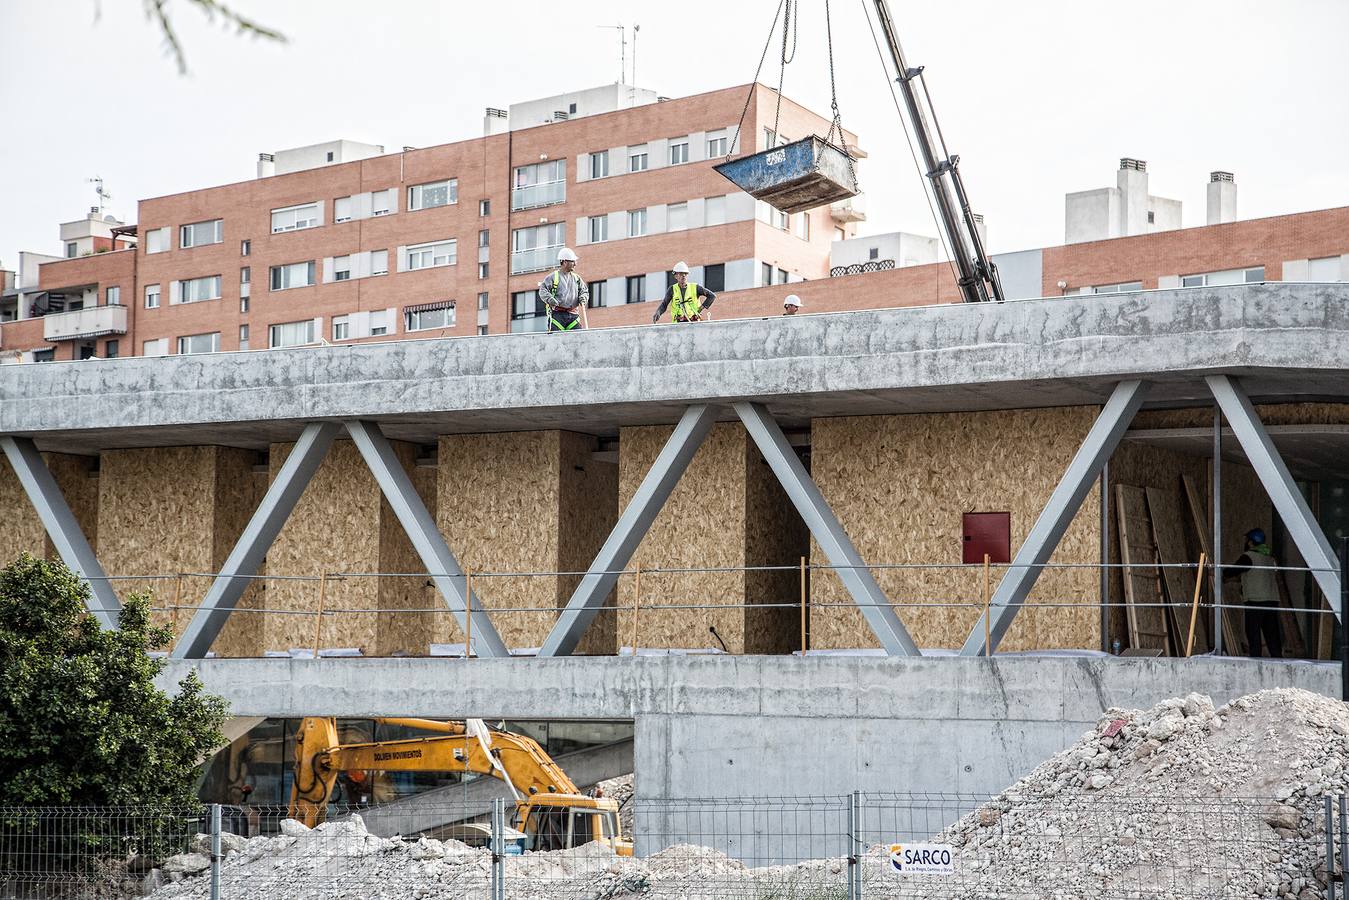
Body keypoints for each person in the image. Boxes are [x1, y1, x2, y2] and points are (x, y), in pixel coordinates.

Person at [1222, 527, 1283, 659]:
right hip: (1272, 601)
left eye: (1247, 540)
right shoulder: (1269, 557)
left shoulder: (1248, 557)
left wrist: (1220, 572)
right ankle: (1278, 660)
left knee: (1253, 634)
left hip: (1256, 602)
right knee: (1272, 635)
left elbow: (1231, 571)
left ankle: (1255, 661)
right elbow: (1258, 575)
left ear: (1250, 542)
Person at [537, 248, 588, 333]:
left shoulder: (576, 278)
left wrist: (583, 297)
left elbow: (584, 291)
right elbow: (543, 290)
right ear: (565, 262)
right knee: (557, 340)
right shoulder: (553, 277)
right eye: (573, 261)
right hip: (557, 315)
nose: (575, 264)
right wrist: (550, 299)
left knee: (578, 339)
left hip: (573, 315)